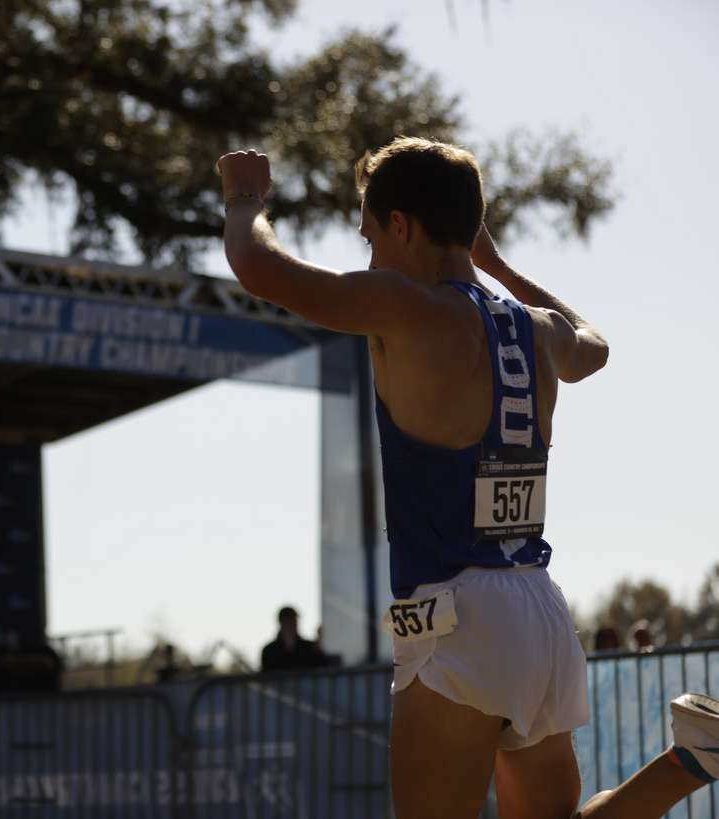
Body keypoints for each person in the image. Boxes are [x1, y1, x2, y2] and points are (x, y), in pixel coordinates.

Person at [217, 138, 717, 819]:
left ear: (401, 225)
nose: (370, 255)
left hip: (454, 616)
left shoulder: (408, 308)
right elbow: (591, 344)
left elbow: (258, 264)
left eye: (370, 235)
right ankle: (691, 760)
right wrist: (497, 264)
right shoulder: (538, 331)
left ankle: (692, 761)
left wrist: (245, 198)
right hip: (539, 609)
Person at [260, 606, 329, 672]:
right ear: (281, 623)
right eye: (288, 621)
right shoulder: (270, 650)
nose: (292, 624)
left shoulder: (309, 647)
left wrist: (319, 645)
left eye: (293, 620)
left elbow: (321, 665)